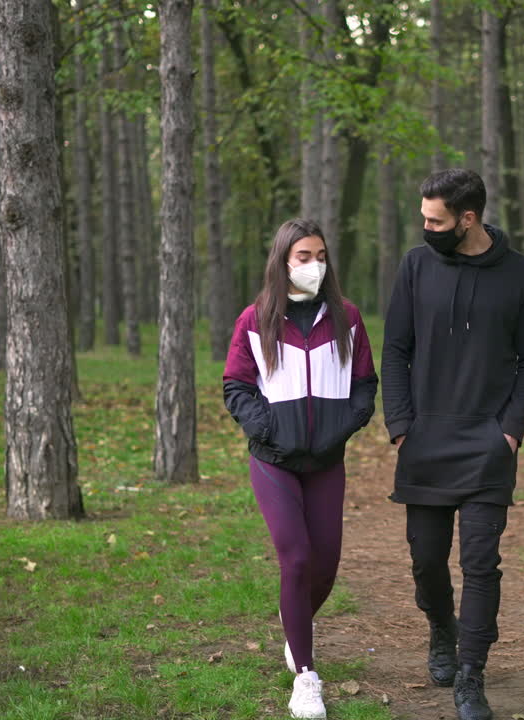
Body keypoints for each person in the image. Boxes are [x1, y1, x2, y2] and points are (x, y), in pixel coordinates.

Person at [381, 169, 524, 720]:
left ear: (467, 219)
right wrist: (401, 424)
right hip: (424, 439)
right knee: (427, 561)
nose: (425, 228)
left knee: (480, 564)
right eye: (424, 218)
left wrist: (511, 431)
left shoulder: (522, 275)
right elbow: (395, 349)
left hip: (487, 445)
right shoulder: (415, 266)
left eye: (436, 220)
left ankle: (471, 674)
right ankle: (441, 629)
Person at [223, 219, 378, 720]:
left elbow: (365, 384)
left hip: (327, 460)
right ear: (283, 261)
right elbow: (236, 385)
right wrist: (265, 427)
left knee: (325, 566)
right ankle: (305, 678)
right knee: (295, 559)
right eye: (304, 257)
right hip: (274, 460)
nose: (315, 265)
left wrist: (343, 427)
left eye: (321, 256)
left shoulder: (347, 317)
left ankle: (295, 623)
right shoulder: (256, 320)